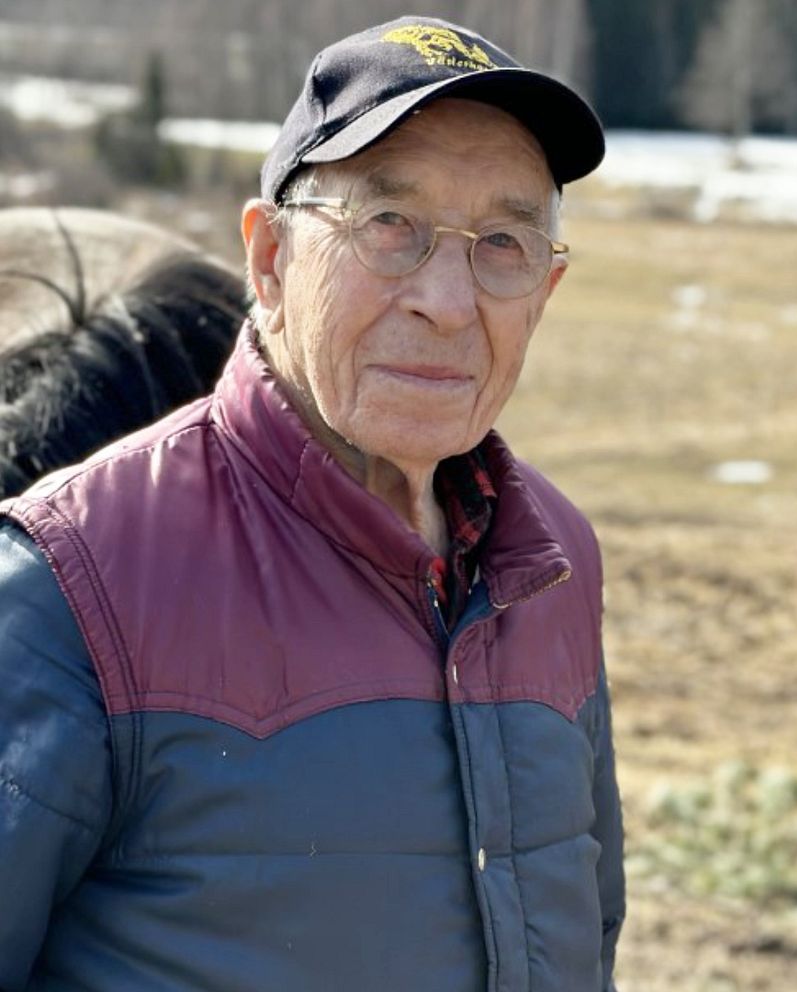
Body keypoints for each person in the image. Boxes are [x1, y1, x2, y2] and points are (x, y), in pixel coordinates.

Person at [0, 15, 625, 991]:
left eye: (502, 242)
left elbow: (588, 934)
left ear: (543, 289)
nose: (447, 301)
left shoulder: (552, 564)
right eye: (389, 225)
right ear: (269, 260)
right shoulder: (71, 586)